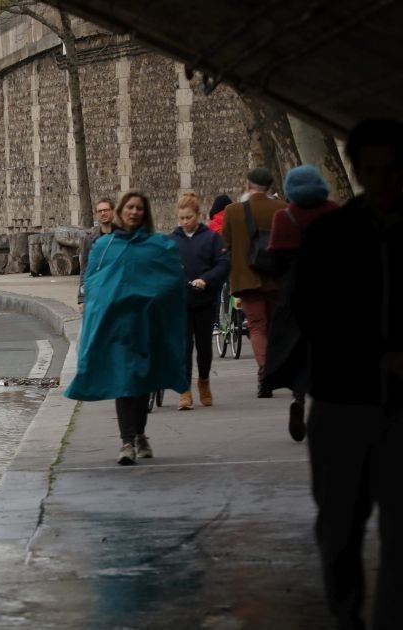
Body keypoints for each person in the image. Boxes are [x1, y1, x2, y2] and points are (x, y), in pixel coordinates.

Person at [292, 119, 403, 630]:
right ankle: (345, 617)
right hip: (342, 404)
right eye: (372, 169)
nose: (382, 180)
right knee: (339, 529)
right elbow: (312, 314)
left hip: (399, 410)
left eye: (392, 168)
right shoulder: (331, 236)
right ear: (357, 170)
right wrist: (372, 356)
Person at [67, 191, 188, 465]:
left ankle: (140, 435)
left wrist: (151, 297)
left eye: (139, 208)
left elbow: (171, 280)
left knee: (142, 383)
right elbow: (94, 283)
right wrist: (98, 306)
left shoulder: (158, 246)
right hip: (117, 328)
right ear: (122, 211)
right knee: (124, 382)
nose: (134, 212)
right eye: (130, 207)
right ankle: (126, 441)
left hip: (146, 325)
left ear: (145, 214)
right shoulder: (104, 246)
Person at [263, 165, 341, 442]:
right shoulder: (334, 212)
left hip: (296, 295)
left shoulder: (284, 217)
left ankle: (298, 397)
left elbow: (274, 261)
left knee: (297, 350)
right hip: (332, 294)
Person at [222, 167, 288, 397]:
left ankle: (264, 375)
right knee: (273, 327)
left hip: (247, 279)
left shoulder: (232, 211)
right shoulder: (282, 209)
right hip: (276, 279)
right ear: (270, 187)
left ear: (248, 185)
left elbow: (227, 244)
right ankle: (278, 372)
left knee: (257, 327)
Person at [169, 191, 230, 410]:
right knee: (184, 346)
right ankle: (184, 389)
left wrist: (206, 279)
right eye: (182, 218)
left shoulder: (211, 238)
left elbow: (223, 263)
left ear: (198, 215)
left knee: (204, 347)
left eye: (189, 218)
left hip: (205, 300)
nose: (185, 222)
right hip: (181, 302)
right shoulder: (172, 240)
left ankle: (203, 380)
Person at [78, 197, 115, 309]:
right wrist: (82, 298)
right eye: (100, 211)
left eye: (106, 210)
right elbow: (85, 269)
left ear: (113, 212)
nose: (103, 213)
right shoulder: (88, 239)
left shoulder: (124, 237)